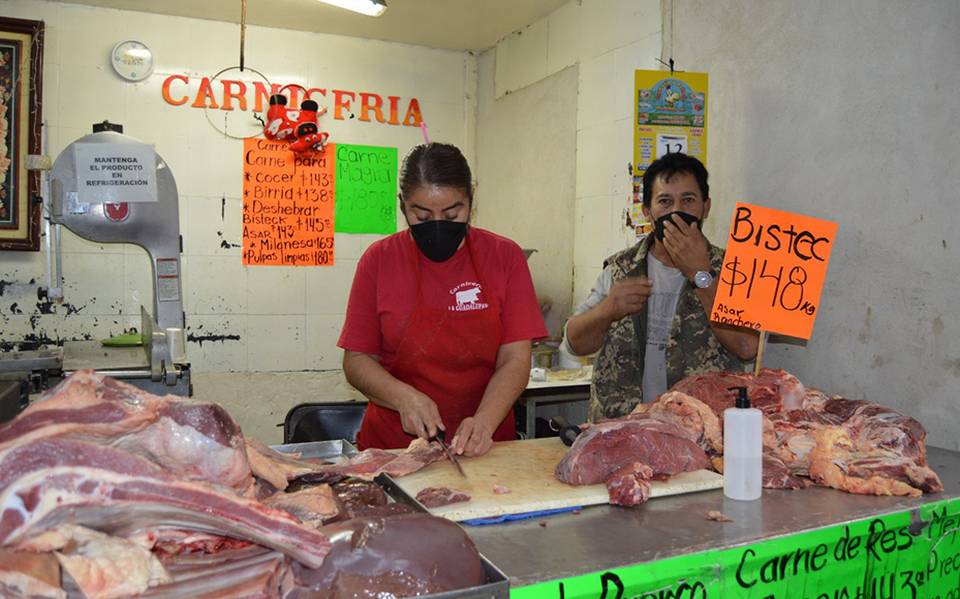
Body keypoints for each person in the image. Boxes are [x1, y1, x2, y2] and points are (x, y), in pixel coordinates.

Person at [338, 143, 547, 457]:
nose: (437, 225)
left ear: (471, 202)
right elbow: (356, 361)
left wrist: (484, 421)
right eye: (422, 216)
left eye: (452, 214)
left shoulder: (505, 258)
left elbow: (515, 359)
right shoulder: (378, 261)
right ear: (402, 206)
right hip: (395, 448)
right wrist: (402, 398)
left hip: (486, 445)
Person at [562, 152, 759, 421]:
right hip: (623, 431)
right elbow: (574, 343)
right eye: (665, 201)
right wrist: (607, 310)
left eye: (688, 200)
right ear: (647, 212)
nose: (676, 211)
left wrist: (700, 275)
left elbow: (748, 346)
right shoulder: (621, 269)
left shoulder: (732, 269)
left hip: (701, 432)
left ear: (706, 207)